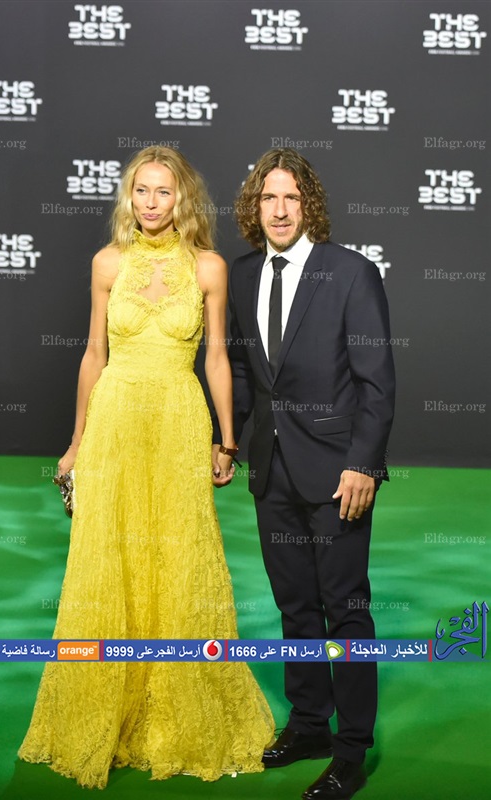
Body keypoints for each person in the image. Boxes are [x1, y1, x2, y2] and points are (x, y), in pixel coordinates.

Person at [18, 146, 274, 789]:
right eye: (141, 191)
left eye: (163, 191)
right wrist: (76, 443)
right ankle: (108, 710)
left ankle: (177, 705)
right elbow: (93, 354)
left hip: (179, 423)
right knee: (110, 558)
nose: (152, 202)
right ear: (128, 198)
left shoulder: (209, 267)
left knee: (179, 555)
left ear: (182, 198)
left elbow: (217, 357)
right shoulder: (108, 262)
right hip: (115, 423)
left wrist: (226, 440)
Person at [214, 148, 396, 800]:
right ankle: (311, 725)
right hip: (272, 471)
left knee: (344, 608)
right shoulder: (240, 275)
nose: (280, 209)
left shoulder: (350, 272)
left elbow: (377, 382)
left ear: (308, 204)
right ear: (254, 206)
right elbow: (241, 371)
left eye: (291, 197)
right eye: (269, 197)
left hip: (337, 473)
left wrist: (363, 464)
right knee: (294, 605)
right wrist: (227, 443)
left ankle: (351, 749)